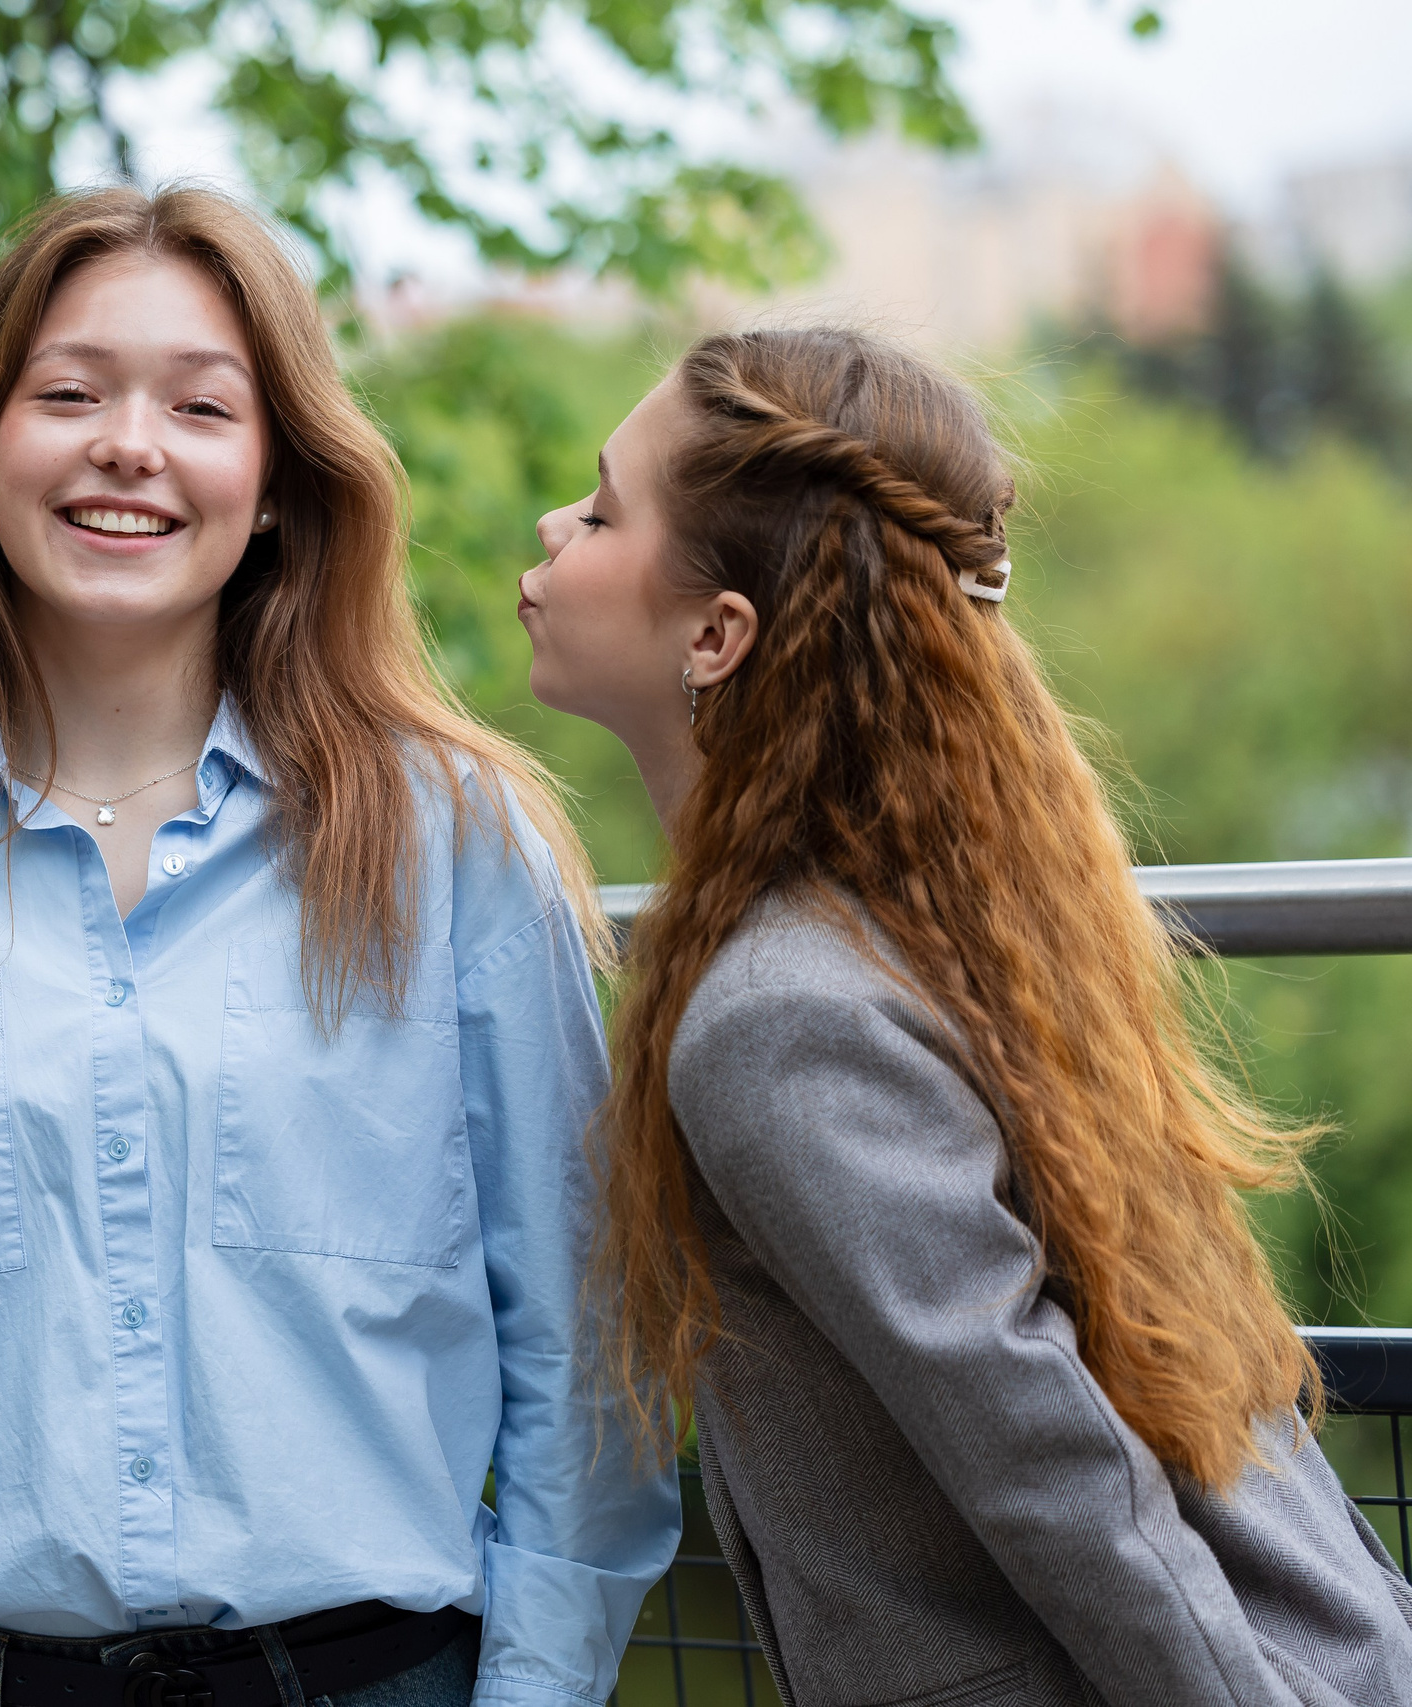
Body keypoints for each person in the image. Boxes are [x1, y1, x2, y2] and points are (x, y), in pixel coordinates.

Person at [0, 184, 680, 1707]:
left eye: (202, 406)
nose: (126, 444)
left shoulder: (458, 842)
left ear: (276, 481)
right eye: (67, 392)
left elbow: (587, 1349)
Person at [519, 324, 1412, 1706]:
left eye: (600, 507)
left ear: (716, 634)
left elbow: (1054, 1470)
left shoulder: (779, 1015)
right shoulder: (942, 926)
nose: (551, 526)